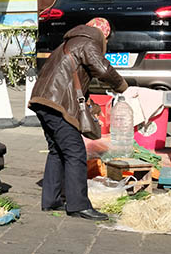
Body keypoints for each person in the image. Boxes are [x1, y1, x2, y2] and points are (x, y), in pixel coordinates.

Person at [29, 17, 128, 220]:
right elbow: (102, 68)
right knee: (75, 152)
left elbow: (73, 76)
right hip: (56, 103)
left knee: (57, 150)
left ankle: (52, 199)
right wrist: (121, 85)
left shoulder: (69, 42)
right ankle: (78, 205)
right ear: (104, 35)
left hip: (43, 99)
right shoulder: (88, 41)